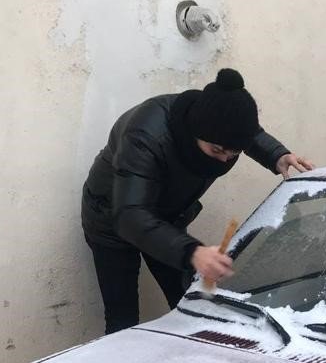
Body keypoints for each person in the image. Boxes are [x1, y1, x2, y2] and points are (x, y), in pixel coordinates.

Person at [81, 68, 313, 334]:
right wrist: (192, 252)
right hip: (113, 218)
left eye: (233, 152)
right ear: (194, 131)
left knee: (190, 304)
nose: (225, 158)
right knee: (122, 316)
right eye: (217, 150)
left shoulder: (222, 126)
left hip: (165, 219)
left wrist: (276, 155)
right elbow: (131, 215)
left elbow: (248, 134)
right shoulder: (146, 134)